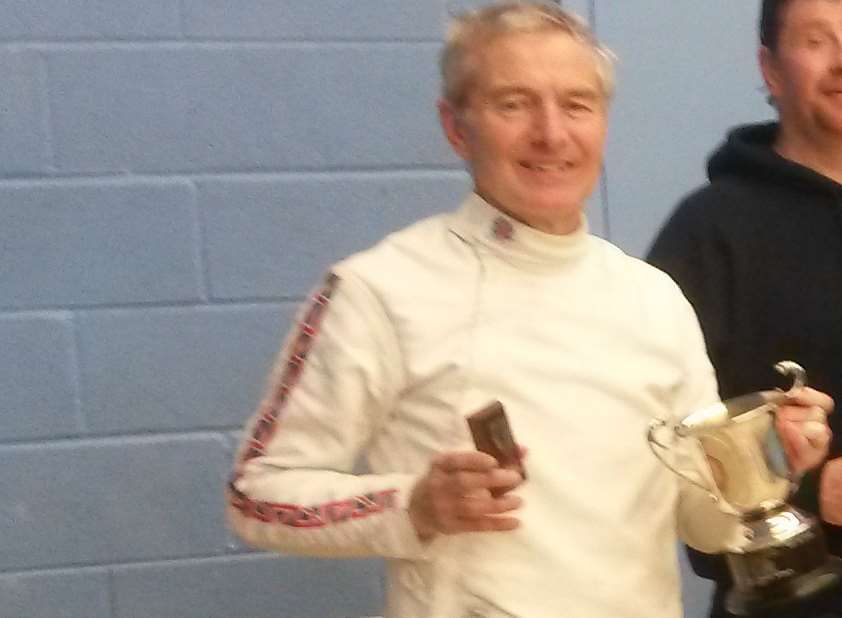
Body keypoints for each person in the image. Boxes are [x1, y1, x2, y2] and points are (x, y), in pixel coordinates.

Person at [227, 3, 832, 618]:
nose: (551, 134)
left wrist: (770, 464)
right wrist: (415, 506)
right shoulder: (378, 290)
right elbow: (257, 494)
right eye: (514, 104)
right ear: (456, 127)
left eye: (576, 105)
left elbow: (705, 523)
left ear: (602, 122)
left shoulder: (653, 298)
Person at [647, 0, 842, 616]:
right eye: (817, 40)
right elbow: (664, 448)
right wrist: (808, 486)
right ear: (771, 68)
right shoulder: (708, 232)